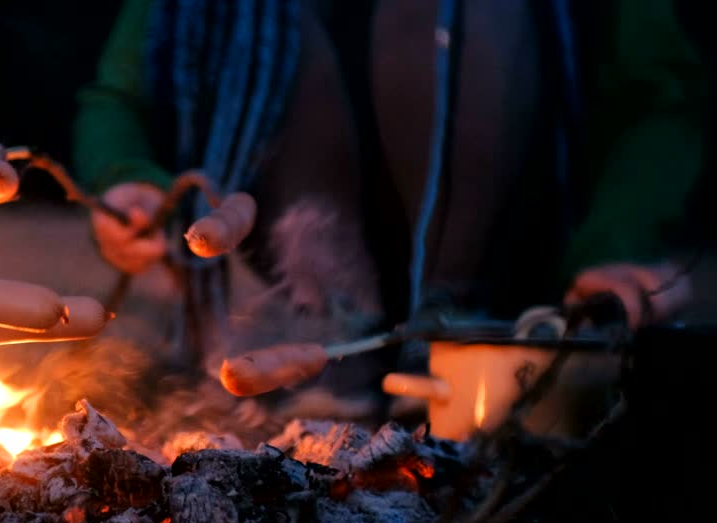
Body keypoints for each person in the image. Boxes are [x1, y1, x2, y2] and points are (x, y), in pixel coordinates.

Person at [72, 0, 708, 389]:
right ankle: (327, 336)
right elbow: (122, 94)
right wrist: (126, 179)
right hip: (286, 283)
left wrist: (615, 244)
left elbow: (658, 95)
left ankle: (452, 334)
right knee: (260, 17)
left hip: (516, 265)